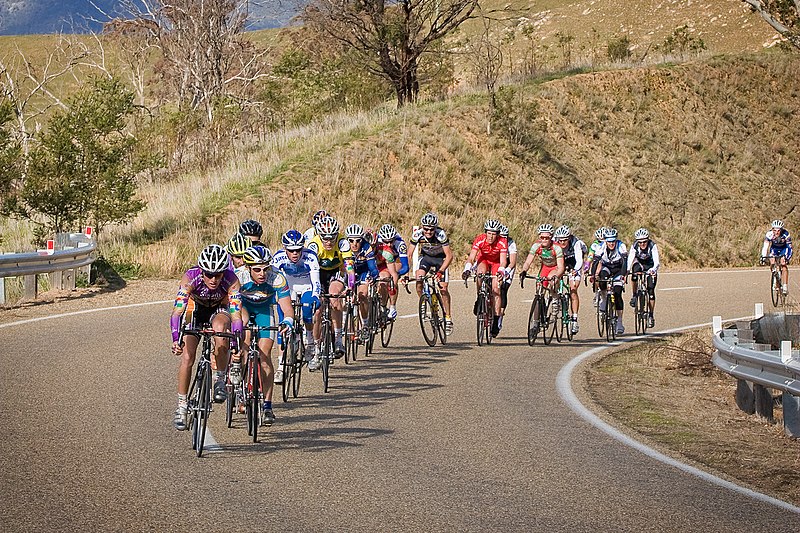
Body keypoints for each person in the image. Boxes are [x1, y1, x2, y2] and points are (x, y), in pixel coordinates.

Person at [169, 244, 242, 431]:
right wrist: (176, 339)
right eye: (209, 274)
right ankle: (182, 406)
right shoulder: (190, 277)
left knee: (221, 328)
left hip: (219, 309)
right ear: (201, 271)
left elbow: (235, 315)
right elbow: (177, 313)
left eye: (218, 274)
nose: (213, 279)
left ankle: (219, 378)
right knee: (187, 357)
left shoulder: (231, 280)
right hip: (196, 310)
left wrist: (235, 341)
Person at [238, 245, 294, 426]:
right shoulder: (239, 277)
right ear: (248, 268)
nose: (262, 273)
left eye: (265, 268)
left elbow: (287, 308)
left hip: (264, 312)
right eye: (256, 269)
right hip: (243, 309)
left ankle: (268, 405)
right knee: (245, 347)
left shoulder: (277, 277)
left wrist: (287, 321)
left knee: (264, 356)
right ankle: (241, 387)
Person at [306, 215, 354, 365]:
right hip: (317, 273)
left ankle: (338, 339)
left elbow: (350, 268)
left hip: (336, 272)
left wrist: (351, 287)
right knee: (317, 310)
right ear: (319, 235)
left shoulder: (342, 242)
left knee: (335, 297)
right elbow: (309, 271)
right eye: (325, 238)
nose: (328, 242)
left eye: (332, 238)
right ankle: (316, 348)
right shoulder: (313, 245)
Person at [272, 229, 322, 373]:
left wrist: (316, 297)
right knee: (283, 317)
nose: (295, 253)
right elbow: (274, 280)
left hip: (307, 285)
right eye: (291, 250)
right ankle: (281, 365)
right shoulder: (279, 257)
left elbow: (316, 281)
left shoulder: (310, 256)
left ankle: (310, 341)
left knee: (307, 307)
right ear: (284, 248)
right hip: (289, 287)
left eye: (298, 250)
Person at [407, 212, 454, 333]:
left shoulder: (441, 234)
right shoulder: (417, 234)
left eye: (431, 230)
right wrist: (406, 273)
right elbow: (409, 254)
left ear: (435, 228)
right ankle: (423, 301)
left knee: (443, 289)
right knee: (419, 278)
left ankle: (448, 318)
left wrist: (441, 271)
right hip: (426, 258)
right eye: (426, 229)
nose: (428, 232)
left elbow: (449, 256)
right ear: (422, 227)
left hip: (440, 259)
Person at [462, 218, 508, 337]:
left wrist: (501, 271)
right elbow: (472, 257)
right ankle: (479, 297)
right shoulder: (480, 239)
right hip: (484, 260)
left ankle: (496, 319)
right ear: (485, 232)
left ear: (497, 235)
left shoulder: (502, 242)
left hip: (497, 262)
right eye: (489, 233)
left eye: (493, 234)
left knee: (495, 289)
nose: (491, 236)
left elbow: (503, 261)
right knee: (479, 274)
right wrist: (467, 268)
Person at [590, 228, 628, 335]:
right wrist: (593, 275)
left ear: (616, 240)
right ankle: (603, 297)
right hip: (607, 267)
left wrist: (624, 275)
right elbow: (595, 261)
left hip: (618, 269)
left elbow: (625, 262)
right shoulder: (601, 247)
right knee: (601, 277)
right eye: (609, 241)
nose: (611, 243)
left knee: (617, 294)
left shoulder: (621, 246)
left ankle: (619, 322)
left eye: (613, 241)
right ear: (605, 241)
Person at [345, 224, 381, 338]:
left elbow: (372, 267)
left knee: (362, 295)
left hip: (364, 271)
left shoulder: (366, 247)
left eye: (357, 240)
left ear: (362, 239)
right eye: (351, 240)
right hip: (349, 271)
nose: (354, 244)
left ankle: (365, 324)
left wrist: (373, 277)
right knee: (344, 298)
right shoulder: (344, 247)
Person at [519, 223, 565, 303]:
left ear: (551, 237)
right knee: (539, 288)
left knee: (552, 280)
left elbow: (561, 267)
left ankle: (555, 299)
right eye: (542, 237)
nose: (544, 240)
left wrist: (556, 276)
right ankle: (540, 307)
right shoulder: (536, 246)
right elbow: (528, 262)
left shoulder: (556, 248)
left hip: (555, 268)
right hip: (545, 268)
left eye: (546, 238)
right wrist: (524, 270)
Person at [554, 225, 586, 334]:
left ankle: (575, 320)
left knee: (573, 289)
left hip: (574, 262)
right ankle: (556, 298)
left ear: (569, 238)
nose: (562, 243)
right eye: (560, 240)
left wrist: (576, 270)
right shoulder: (554, 241)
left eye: (565, 240)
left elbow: (579, 260)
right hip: (561, 260)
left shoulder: (576, 243)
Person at [627, 227, 660, 328]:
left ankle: (650, 315)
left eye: (644, 242)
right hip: (640, 265)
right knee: (634, 273)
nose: (642, 244)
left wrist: (653, 270)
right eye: (640, 242)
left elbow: (657, 262)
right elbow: (630, 259)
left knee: (650, 291)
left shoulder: (652, 246)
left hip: (650, 266)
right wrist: (627, 270)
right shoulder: (635, 246)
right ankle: (634, 295)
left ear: (648, 240)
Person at [375, 224, 410, 319]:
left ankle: (392, 307)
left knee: (392, 278)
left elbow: (406, 266)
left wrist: (397, 275)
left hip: (395, 261)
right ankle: (382, 306)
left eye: (391, 241)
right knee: (382, 278)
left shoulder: (400, 244)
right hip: (382, 261)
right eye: (387, 242)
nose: (390, 244)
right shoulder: (377, 241)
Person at [760, 219, 793, 295]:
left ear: (781, 230)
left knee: (783, 264)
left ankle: (785, 286)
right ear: (772, 230)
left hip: (784, 249)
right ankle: (775, 278)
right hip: (774, 249)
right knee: (772, 262)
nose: (776, 232)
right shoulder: (769, 234)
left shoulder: (786, 234)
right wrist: (763, 256)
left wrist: (787, 258)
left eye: (778, 231)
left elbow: (789, 248)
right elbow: (765, 246)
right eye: (774, 230)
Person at [497, 224, 517, 332]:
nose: (503, 239)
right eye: (501, 237)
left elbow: (512, 262)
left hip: (508, 266)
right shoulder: (496, 242)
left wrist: (507, 271)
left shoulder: (511, 243)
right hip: (498, 264)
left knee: (503, 289)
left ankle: (500, 316)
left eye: (505, 237)